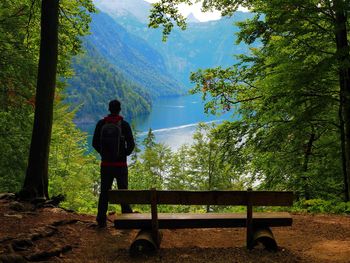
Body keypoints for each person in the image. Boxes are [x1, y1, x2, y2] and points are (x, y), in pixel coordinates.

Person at [92, 99, 135, 227]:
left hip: (106, 165)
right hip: (121, 166)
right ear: (119, 109)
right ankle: (126, 219)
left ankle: (101, 219)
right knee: (123, 191)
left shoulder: (101, 123)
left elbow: (94, 143)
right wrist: (123, 154)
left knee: (104, 192)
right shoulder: (124, 125)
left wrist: (104, 154)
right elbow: (131, 144)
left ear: (109, 109)